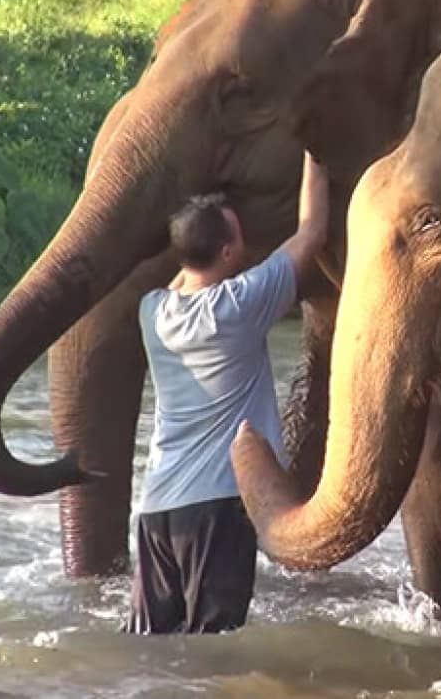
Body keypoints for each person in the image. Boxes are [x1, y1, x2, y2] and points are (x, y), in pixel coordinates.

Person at [125, 152, 330, 634]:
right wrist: (315, 153)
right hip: (216, 508)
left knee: (153, 647)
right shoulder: (240, 305)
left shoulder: (152, 312)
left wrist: (199, 219)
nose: (247, 242)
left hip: (155, 508)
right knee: (214, 648)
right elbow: (311, 233)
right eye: (238, 236)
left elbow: (186, 272)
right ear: (226, 254)